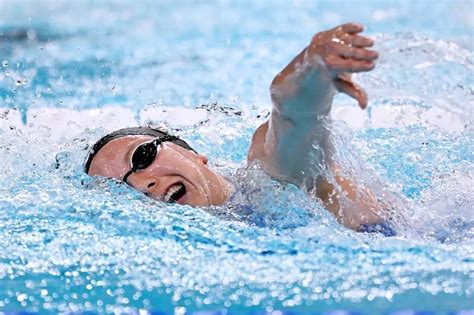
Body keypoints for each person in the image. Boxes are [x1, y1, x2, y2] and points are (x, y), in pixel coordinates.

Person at [84, 23, 395, 234]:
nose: (140, 184)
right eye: (120, 189)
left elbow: (295, 118)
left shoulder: (268, 183)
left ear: (194, 154)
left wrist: (312, 66)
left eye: (141, 157)